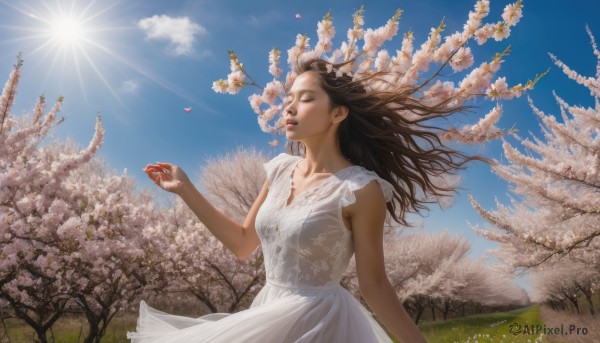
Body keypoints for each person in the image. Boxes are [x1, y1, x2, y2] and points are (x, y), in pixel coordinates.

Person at [128, 57, 483, 342]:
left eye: (306, 98)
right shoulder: (280, 170)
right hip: (267, 312)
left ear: (338, 113)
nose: (289, 109)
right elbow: (241, 243)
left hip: (323, 323)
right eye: (289, 100)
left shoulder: (360, 189)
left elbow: (374, 285)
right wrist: (186, 190)